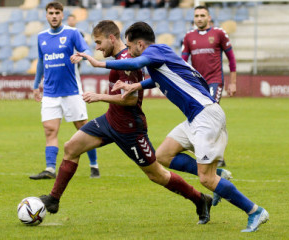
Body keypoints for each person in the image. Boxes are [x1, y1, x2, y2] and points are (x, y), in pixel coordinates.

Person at [79, 21, 269, 232]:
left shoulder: (155, 50)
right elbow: (158, 78)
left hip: (205, 116)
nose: (129, 52)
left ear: (140, 44)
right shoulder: (159, 57)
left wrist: (98, 64)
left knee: (206, 178)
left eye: (130, 46)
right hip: (194, 117)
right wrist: (136, 85)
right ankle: (220, 176)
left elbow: (134, 65)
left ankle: (255, 211)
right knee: (163, 156)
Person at [40, 20, 213, 225]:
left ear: (111, 38)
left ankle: (200, 199)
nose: (97, 47)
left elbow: (130, 99)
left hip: (130, 129)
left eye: (98, 42)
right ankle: (53, 199)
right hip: (110, 120)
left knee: (156, 174)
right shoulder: (119, 58)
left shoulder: (128, 60)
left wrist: (99, 97)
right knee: (71, 148)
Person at [30, 1, 100, 180]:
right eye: (50, 13)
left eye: (57, 13)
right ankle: (50, 169)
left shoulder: (72, 33)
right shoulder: (41, 37)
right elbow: (41, 61)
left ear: (62, 15)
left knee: (83, 129)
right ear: (46, 15)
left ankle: (94, 165)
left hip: (72, 91)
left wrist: (80, 55)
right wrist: (36, 84)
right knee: (50, 130)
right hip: (50, 92)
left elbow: (86, 49)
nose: (53, 16)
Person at [182, 6, 238, 167]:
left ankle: (215, 155)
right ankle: (208, 151)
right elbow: (182, 62)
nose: (199, 18)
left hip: (214, 81)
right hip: (197, 84)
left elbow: (232, 59)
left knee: (209, 115)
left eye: (202, 15)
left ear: (209, 17)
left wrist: (233, 82)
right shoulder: (188, 37)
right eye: (196, 16)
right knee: (199, 117)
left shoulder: (219, 34)